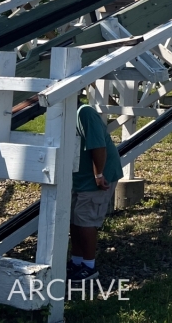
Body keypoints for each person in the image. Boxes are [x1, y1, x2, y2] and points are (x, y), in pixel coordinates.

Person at [68, 102, 123, 281]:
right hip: (80, 176)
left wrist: (99, 174)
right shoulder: (64, 114)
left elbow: (98, 145)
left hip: (96, 177)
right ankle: (76, 261)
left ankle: (89, 266)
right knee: (74, 219)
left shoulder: (84, 113)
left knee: (85, 220)